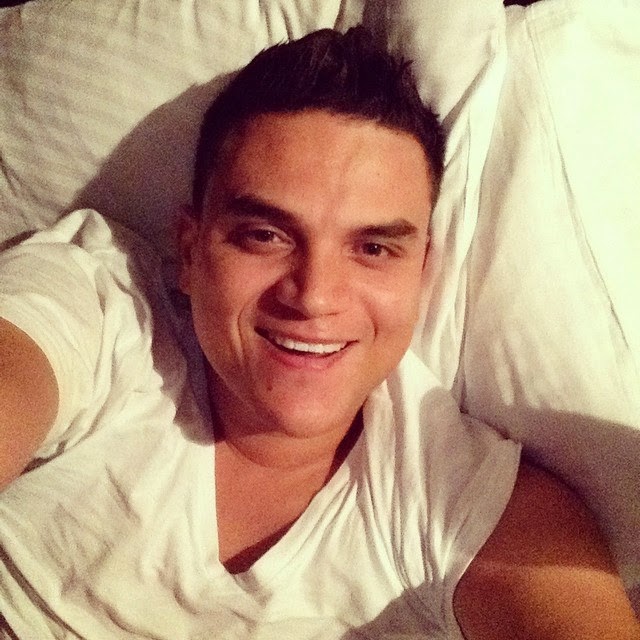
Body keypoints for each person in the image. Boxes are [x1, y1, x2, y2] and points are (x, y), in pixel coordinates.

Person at [0, 26, 637, 640]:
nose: (314, 296)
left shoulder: (465, 501)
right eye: (265, 235)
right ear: (190, 250)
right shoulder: (97, 309)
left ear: (422, 273)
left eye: (374, 248)